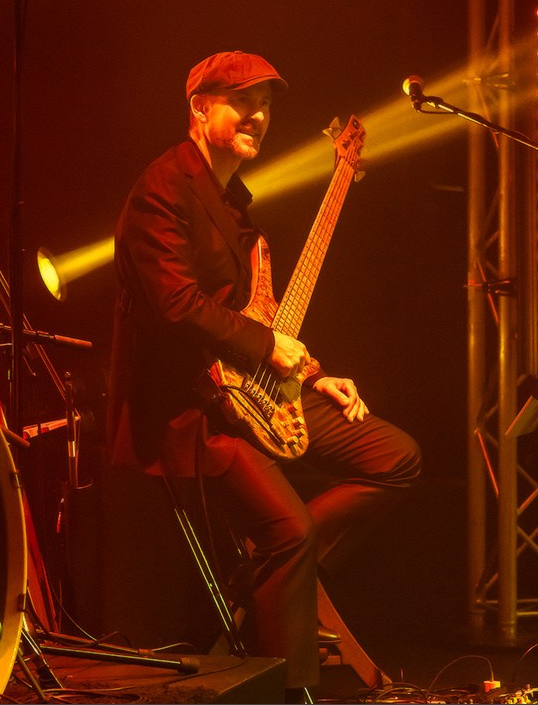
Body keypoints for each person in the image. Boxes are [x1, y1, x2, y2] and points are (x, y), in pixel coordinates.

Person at [106, 50, 421, 699]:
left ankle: (275, 568)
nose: (258, 114)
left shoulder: (235, 203)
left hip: (252, 393)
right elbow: (175, 307)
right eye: (241, 99)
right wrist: (268, 346)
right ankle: (289, 690)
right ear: (198, 108)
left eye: (267, 103)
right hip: (189, 410)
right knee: (288, 530)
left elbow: (257, 317)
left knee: (396, 456)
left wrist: (309, 374)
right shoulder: (162, 189)